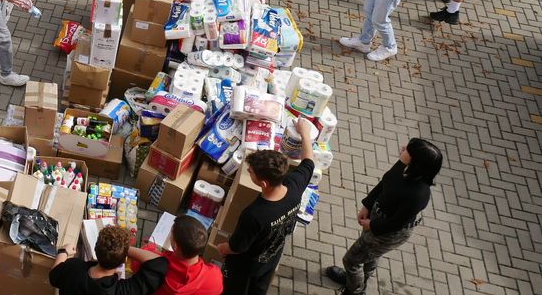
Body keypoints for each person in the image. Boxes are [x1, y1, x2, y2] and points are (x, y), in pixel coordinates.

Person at [325, 138, 442, 295]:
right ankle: (356, 280)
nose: (402, 148)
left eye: (408, 150)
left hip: (388, 232)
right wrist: (367, 204)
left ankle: (355, 291)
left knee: (351, 261)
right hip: (377, 217)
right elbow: (385, 183)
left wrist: (372, 226)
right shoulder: (404, 168)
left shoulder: (419, 195)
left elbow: (397, 222)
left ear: (416, 161)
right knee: (368, 254)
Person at [217, 119, 316, 295]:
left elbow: (238, 247)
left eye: (251, 172)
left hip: (246, 267)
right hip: (271, 257)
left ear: (263, 183)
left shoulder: (254, 215)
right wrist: (305, 133)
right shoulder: (294, 185)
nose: (248, 172)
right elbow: (309, 162)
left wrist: (223, 248)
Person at [48, 226, 170, 295]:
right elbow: (159, 263)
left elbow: (53, 276)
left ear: (95, 250)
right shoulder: (123, 291)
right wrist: (123, 249)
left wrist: (63, 252)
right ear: (124, 260)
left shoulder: (74, 268)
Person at [150, 215, 224, 295]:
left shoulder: (160, 266)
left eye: (171, 233)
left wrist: (135, 250)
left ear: (175, 245)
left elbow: (146, 261)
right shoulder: (215, 276)